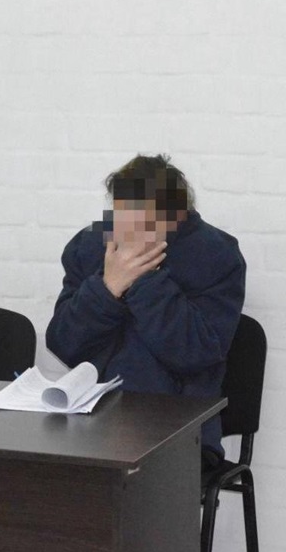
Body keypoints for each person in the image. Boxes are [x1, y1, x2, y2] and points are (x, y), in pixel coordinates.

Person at [46, 154, 245, 462]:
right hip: (91, 421)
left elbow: (194, 354)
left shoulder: (216, 255)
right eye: (123, 213)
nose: (131, 227)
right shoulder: (89, 245)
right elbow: (63, 344)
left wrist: (144, 278)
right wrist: (107, 288)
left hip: (177, 429)